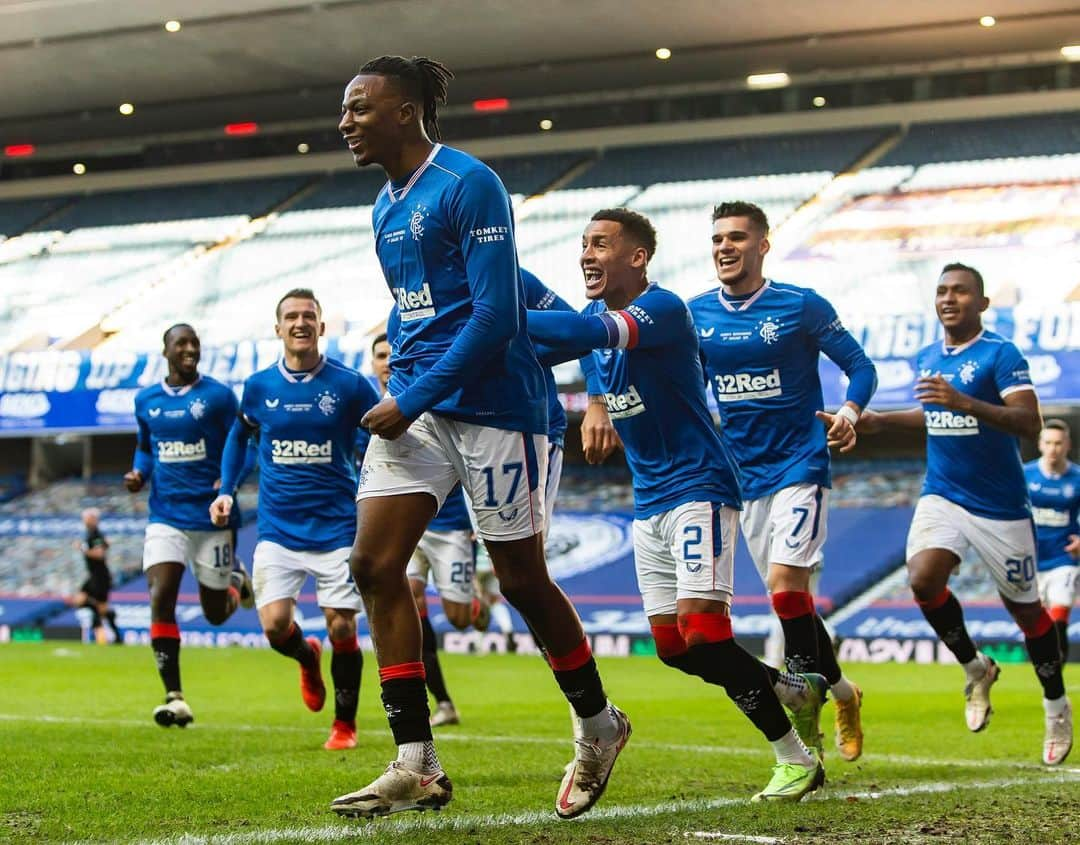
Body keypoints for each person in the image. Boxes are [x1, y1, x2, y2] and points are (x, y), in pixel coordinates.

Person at [332, 55, 628, 820]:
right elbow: (418, 308)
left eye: (359, 108)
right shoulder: (383, 206)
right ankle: (416, 762)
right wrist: (409, 389)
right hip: (425, 410)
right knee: (373, 562)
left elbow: (497, 317)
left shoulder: (470, 184)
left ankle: (600, 727)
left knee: (524, 582)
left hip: (500, 409)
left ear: (403, 111)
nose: (345, 123)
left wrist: (412, 394)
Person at [526, 207, 827, 802]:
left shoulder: (662, 310)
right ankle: (792, 689)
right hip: (648, 500)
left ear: (637, 258)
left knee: (706, 634)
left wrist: (499, 315)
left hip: (699, 486)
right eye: (583, 244)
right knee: (673, 649)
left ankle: (796, 757)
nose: (587, 254)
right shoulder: (593, 315)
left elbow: (586, 334)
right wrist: (592, 399)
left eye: (601, 245)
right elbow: (581, 337)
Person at [856, 262, 1072, 766]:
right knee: (923, 579)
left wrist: (966, 401)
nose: (949, 299)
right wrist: (880, 421)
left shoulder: (1001, 354)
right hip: (943, 492)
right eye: (942, 291)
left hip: (999, 505)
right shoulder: (929, 354)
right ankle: (976, 668)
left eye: (960, 291)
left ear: (981, 303)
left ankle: (1056, 705)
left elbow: (1028, 421)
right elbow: (935, 416)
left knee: (1027, 612)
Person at [688, 200, 877, 762]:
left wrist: (849, 412)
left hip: (800, 462)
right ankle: (842, 691)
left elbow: (861, 366)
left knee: (785, 589)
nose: (725, 247)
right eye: (718, 238)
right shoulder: (696, 314)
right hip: (743, 477)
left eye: (738, 238)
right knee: (788, 603)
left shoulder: (800, 305)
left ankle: (804, 712)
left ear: (763, 245)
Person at [210, 289, 378, 752]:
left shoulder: (350, 385)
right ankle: (307, 656)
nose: (300, 323)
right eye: (291, 317)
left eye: (309, 316)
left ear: (322, 327)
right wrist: (226, 489)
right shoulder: (260, 386)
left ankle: (344, 726)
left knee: (343, 626)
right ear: (278, 327)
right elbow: (239, 436)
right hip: (278, 529)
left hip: (337, 527)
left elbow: (382, 435)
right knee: (275, 627)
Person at [124, 323, 255, 728]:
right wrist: (138, 474)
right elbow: (147, 449)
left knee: (215, 614)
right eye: (181, 343)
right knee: (161, 594)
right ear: (165, 350)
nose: (190, 349)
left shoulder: (217, 397)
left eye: (194, 343)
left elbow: (243, 445)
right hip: (165, 517)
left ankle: (235, 582)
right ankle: (175, 696)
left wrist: (227, 483)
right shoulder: (146, 400)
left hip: (212, 517)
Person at [373, 315, 486, 728]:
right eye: (380, 356)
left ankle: (474, 595)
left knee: (459, 617)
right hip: (405, 527)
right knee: (409, 598)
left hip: (449, 524)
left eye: (391, 354)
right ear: (374, 364)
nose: (386, 362)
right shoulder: (372, 406)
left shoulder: (430, 393)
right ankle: (438, 701)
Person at [1024, 419, 1080, 660]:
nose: (1053, 448)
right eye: (1048, 442)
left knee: (1059, 620)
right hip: (1028, 560)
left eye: (1058, 443)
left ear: (1067, 445)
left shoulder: (1077, 478)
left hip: (1063, 558)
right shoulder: (1024, 475)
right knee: (1037, 626)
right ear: (1040, 444)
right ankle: (1046, 676)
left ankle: (1056, 688)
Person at [67, 508, 121, 644]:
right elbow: (105, 546)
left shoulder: (95, 534)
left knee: (99, 607)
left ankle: (108, 636)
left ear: (93, 519)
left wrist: (82, 548)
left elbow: (99, 554)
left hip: (100, 576)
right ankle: (111, 632)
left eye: (87, 517)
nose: (84, 520)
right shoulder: (91, 534)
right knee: (82, 601)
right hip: (94, 576)